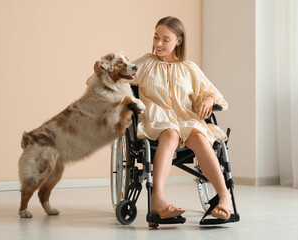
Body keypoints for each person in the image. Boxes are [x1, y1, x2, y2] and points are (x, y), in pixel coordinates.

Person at [94, 16, 232, 227]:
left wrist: (209, 99)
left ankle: (224, 197)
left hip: (186, 120)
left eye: (165, 39)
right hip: (157, 121)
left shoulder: (189, 68)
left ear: (179, 40)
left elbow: (215, 94)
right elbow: (114, 78)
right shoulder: (145, 64)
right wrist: (101, 71)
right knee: (170, 133)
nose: (158, 44)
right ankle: (157, 199)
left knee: (200, 136)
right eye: (156, 37)